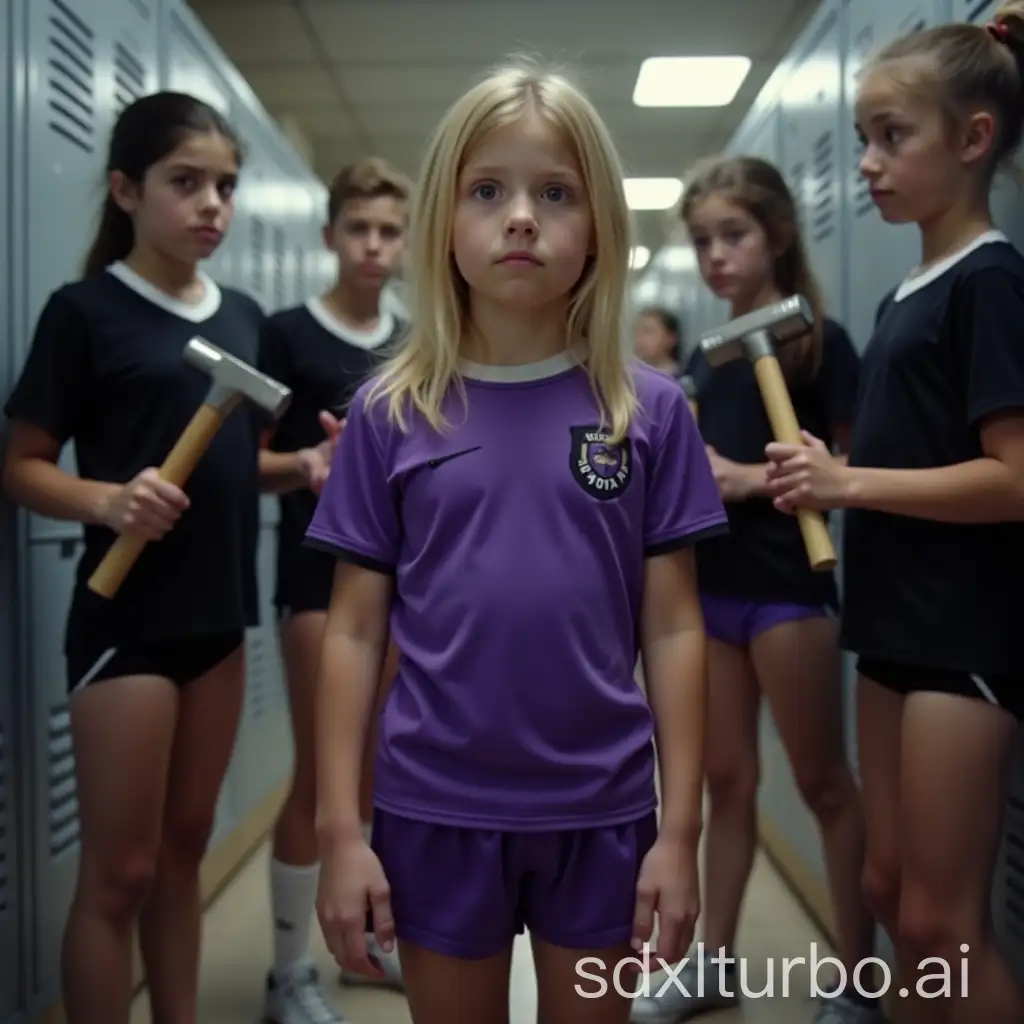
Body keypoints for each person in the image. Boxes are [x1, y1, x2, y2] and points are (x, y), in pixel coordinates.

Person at [306, 60, 731, 1024]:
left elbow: (671, 629)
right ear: (443, 227)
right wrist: (340, 829)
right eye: (488, 190)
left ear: (601, 232)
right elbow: (354, 632)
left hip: (605, 810)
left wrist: (682, 830)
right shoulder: (390, 413)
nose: (523, 217)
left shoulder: (649, 413)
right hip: (435, 807)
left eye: (556, 193)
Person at [763, 9, 1024, 1023]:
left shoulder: (991, 284)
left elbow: (1012, 478)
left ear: (972, 139)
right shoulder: (905, 293)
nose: (865, 162)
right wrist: (832, 470)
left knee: (941, 923)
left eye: (890, 136)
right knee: (885, 893)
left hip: (965, 628)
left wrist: (850, 485)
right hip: (890, 623)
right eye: (862, 137)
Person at [1, 92, 263, 1024]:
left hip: (221, 618)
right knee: (121, 874)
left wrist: (301, 464)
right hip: (127, 622)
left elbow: (244, 464)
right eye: (185, 182)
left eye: (226, 186)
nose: (212, 206)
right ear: (125, 189)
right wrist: (109, 499)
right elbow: (22, 467)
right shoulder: (83, 311)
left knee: (186, 851)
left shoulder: (241, 314)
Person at [631, 155, 876, 1024]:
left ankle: (858, 979)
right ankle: (714, 963)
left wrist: (743, 478)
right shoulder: (704, 355)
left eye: (732, 235)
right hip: (712, 592)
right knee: (724, 782)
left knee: (821, 784)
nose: (715, 256)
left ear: (774, 234)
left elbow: (858, 471)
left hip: (787, 587)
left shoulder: (820, 343)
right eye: (701, 241)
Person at [257, 156, 410, 1022]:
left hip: (400, 585)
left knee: (375, 778)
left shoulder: (411, 340)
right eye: (359, 229)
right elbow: (241, 462)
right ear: (330, 235)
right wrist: (307, 463)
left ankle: (362, 947)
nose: (374, 246)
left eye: (390, 231)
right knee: (321, 777)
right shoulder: (286, 334)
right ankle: (288, 973)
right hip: (317, 581)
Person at [634, 306, 682, 376]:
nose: (639, 338)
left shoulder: (682, 381)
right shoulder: (629, 377)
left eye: (647, 331)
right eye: (636, 332)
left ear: (671, 338)